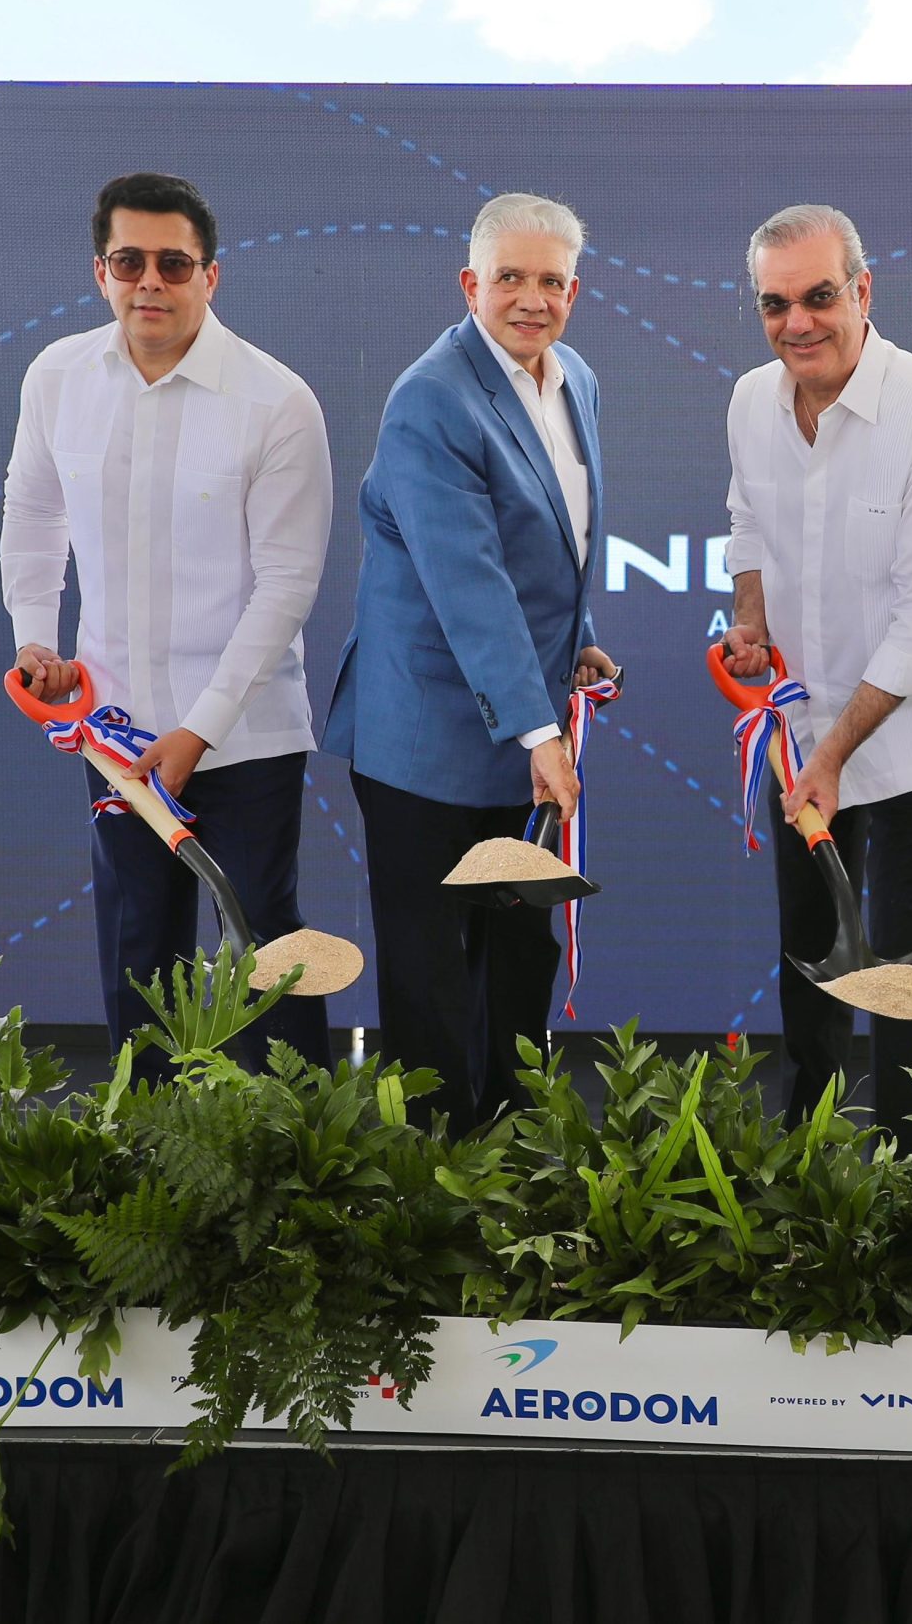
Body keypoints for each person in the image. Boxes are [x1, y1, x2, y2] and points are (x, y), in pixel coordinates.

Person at [1, 171, 333, 1070]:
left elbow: (288, 584)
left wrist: (199, 729)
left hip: (244, 734)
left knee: (263, 945)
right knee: (137, 948)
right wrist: (36, 638)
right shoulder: (56, 376)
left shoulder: (276, 401)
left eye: (174, 264)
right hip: (115, 729)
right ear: (100, 271)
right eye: (129, 261)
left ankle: (296, 1138)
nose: (150, 281)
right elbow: (34, 513)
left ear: (210, 276)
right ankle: (146, 1138)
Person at [322, 193, 617, 1131]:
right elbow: (468, 581)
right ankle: (433, 1173)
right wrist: (540, 730)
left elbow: (556, 543)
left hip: (522, 732)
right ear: (469, 284)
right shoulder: (432, 399)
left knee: (520, 955)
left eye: (551, 281)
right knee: (433, 977)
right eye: (510, 278)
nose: (532, 299)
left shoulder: (576, 378)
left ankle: (512, 1152)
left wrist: (574, 642)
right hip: (427, 738)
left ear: (574, 291)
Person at [718, 204, 912, 1150]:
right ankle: (809, 1158)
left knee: (900, 956)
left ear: (864, 291)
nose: (798, 322)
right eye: (776, 304)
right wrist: (752, 621)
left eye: (820, 296)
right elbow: (748, 526)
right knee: (809, 950)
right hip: (799, 732)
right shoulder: (750, 401)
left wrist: (831, 754)